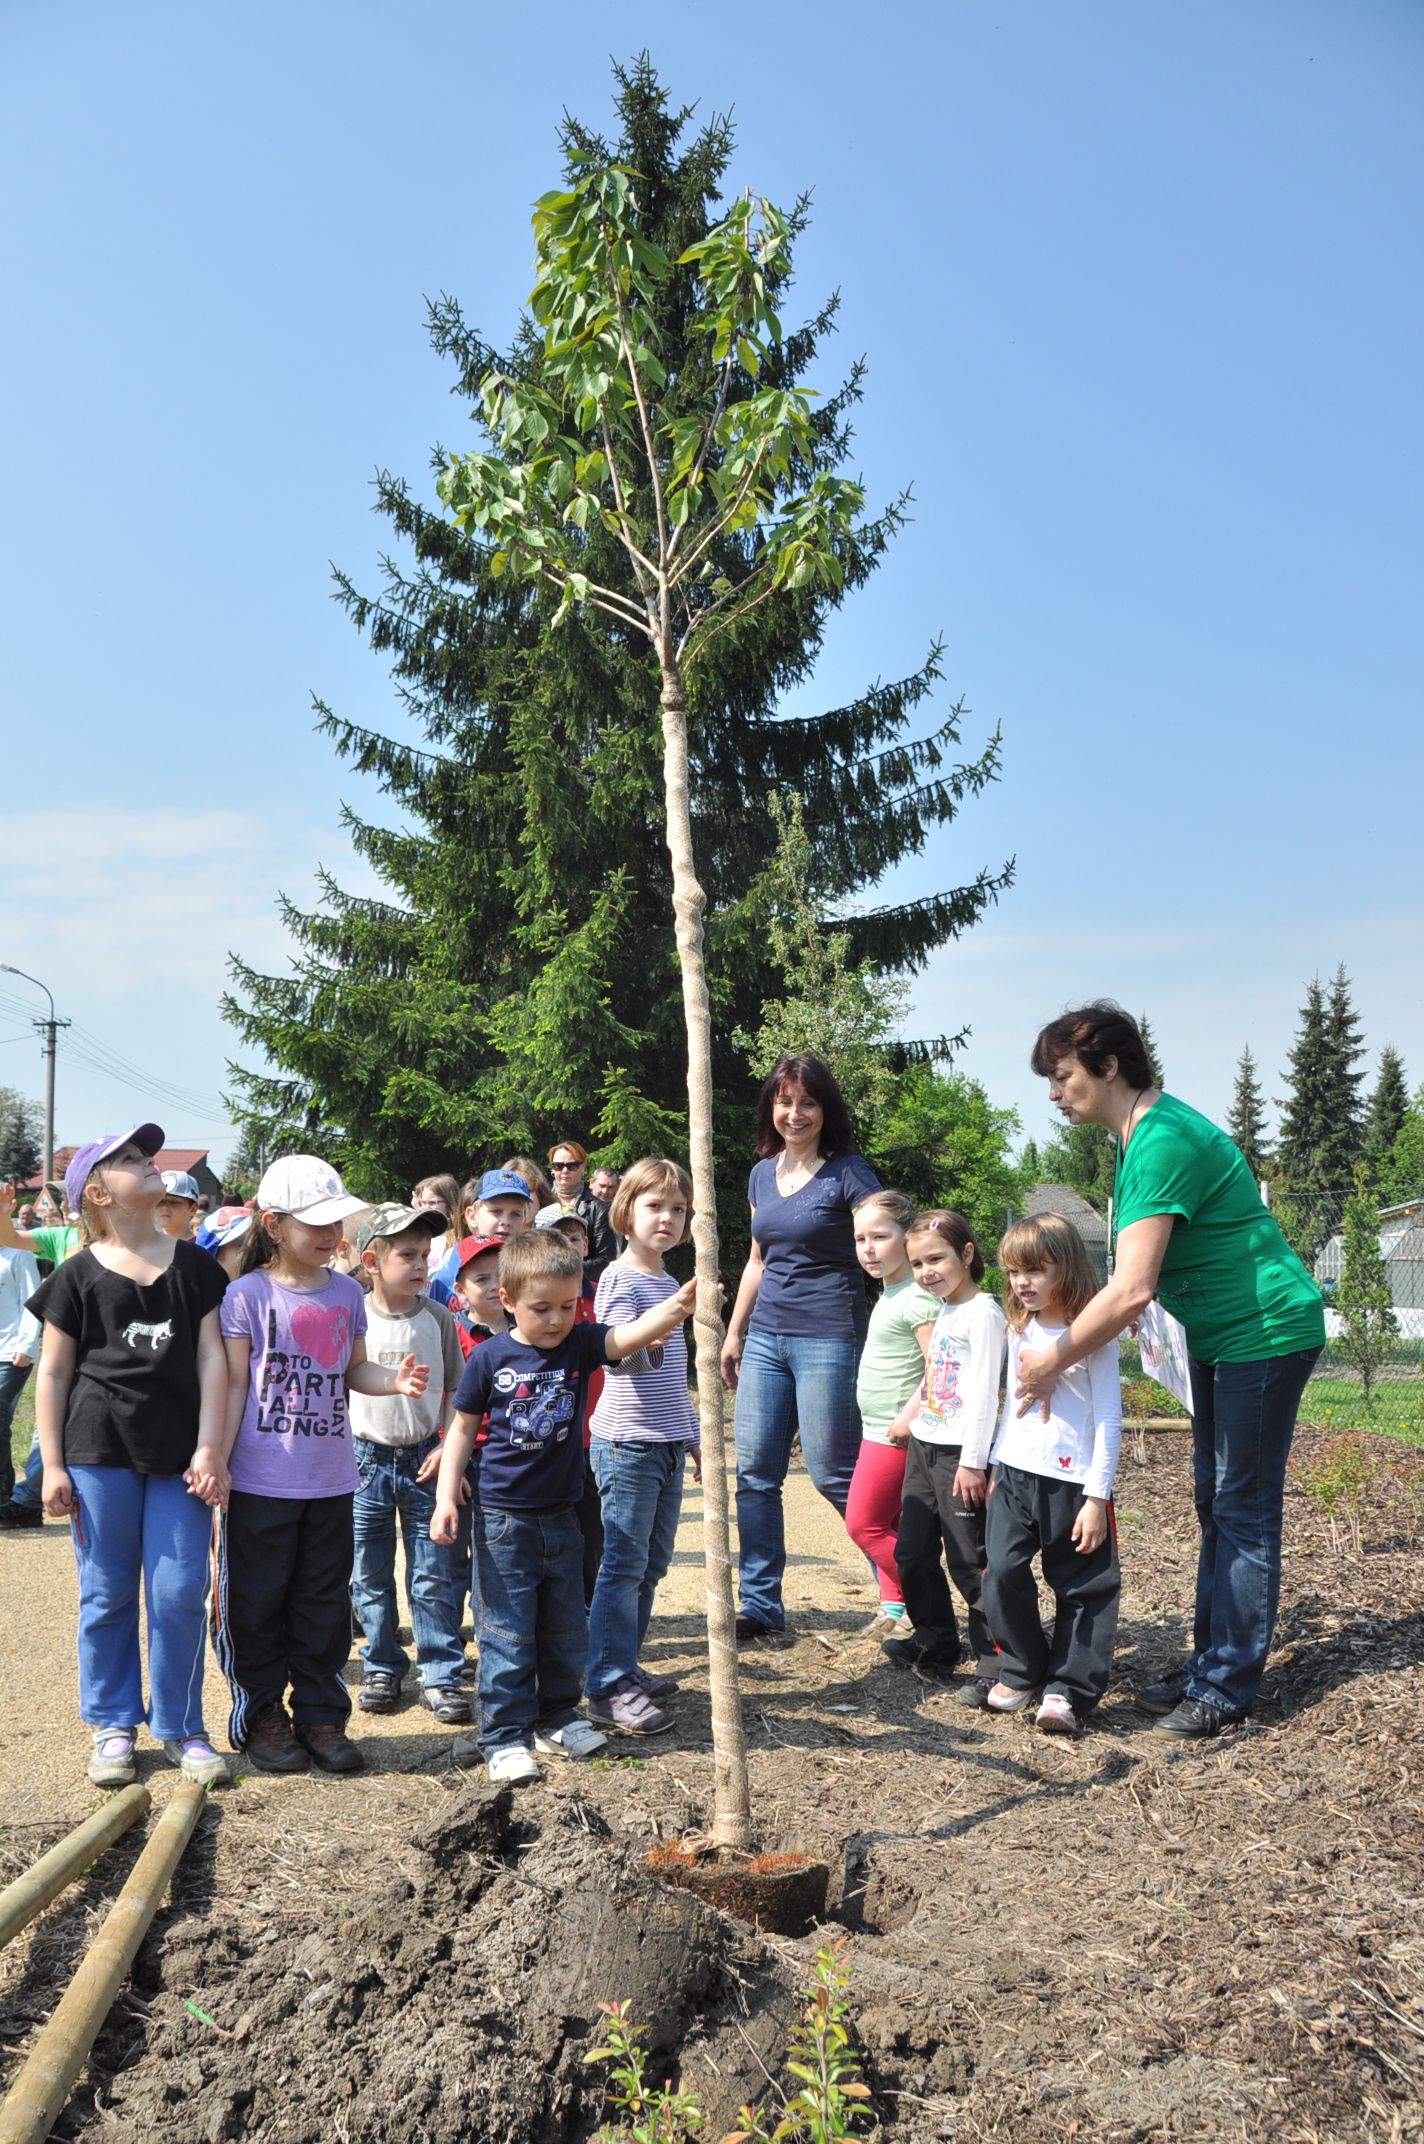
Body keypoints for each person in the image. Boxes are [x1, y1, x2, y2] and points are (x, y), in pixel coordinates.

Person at [1017, 1002, 1325, 1742]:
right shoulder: (1135, 1137)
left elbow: (1131, 1288)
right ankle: (1209, 1662)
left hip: (1266, 1330)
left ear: (1109, 1065)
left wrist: (1049, 1360)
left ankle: (1226, 1684)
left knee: (1243, 1507)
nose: (1054, 1095)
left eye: (1061, 1077)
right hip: (1222, 1338)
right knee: (1215, 1498)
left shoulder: (1161, 1140)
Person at [430, 1228, 696, 1784]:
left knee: (564, 1627)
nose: (555, 1319)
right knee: (505, 1628)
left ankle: (556, 1717)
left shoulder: (578, 1342)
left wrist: (675, 1308)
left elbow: (624, 1339)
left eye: (568, 1306)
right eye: (541, 1308)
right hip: (504, 1520)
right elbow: (461, 1429)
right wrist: (445, 1495)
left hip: (565, 1514)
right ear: (507, 1301)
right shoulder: (489, 1359)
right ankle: (503, 1735)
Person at [212, 1155, 429, 1777]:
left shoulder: (345, 1294)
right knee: (255, 1603)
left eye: (338, 1221)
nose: (332, 1235)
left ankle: (320, 1714)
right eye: (316, 1224)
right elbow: (231, 1384)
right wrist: (217, 1461)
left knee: (322, 1602)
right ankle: (261, 1717)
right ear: (273, 1224)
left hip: (331, 1479)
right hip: (258, 1481)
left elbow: (351, 1369)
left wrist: (393, 1380)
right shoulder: (245, 1295)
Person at [28, 1124, 230, 1787]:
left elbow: (212, 1360)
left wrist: (210, 1448)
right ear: (97, 1192)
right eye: (128, 1159)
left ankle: (180, 1725)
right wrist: (52, 1465)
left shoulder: (196, 1266)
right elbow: (53, 1376)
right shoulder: (75, 1275)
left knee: (179, 1593)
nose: (147, 1163)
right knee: (107, 1593)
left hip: (182, 1459)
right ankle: (112, 1722)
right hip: (95, 1453)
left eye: (148, 1155)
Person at [720, 1053, 880, 1642]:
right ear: (771, 1107)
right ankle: (761, 1605)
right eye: (785, 1102)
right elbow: (757, 1260)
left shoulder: (849, 1172)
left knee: (833, 1471)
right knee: (755, 1474)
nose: (795, 1113)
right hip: (765, 1336)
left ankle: (900, 1592)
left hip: (829, 1334)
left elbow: (884, 1238)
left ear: (824, 1109)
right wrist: (735, 1331)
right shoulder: (762, 1173)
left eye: (807, 1102)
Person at [983, 1214, 1122, 1734]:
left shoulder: (1095, 1334)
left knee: (1083, 1587)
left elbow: (1109, 1416)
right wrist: (997, 1463)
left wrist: (1096, 1496)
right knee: (1000, 1571)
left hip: (1073, 1484)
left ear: (1067, 1266)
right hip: (1015, 1476)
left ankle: (1068, 1691)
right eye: (1015, 1271)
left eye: (1036, 1269)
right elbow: (1009, 1405)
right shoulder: (1018, 1327)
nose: (1023, 1282)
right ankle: (1022, 1668)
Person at [584, 1159, 700, 1736]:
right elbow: (613, 1355)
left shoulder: (666, 1281)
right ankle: (605, 1683)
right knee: (622, 1565)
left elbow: (673, 1373)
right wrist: (667, 1318)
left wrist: (693, 1434)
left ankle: (624, 1664)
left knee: (650, 1566)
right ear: (626, 1213)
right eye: (656, 1206)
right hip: (627, 1442)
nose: (668, 1218)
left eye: (678, 1209)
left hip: (666, 1441)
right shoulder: (620, 1277)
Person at [348, 1204, 470, 1726]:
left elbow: (456, 1389)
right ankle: (381, 1664)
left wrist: (447, 1447)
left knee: (433, 1571)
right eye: (407, 1255)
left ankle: (440, 1672)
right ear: (372, 1260)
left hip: (425, 1459)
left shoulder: (439, 1317)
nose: (421, 1264)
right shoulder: (353, 1315)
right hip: (364, 1463)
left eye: (425, 1255)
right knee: (368, 1573)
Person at [881, 1210, 1005, 1697]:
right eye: (917, 1263)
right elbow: (938, 1377)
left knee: (969, 1559)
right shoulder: (946, 1310)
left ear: (967, 1254)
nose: (927, 1271)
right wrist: (913, 1422)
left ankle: (997, 1657)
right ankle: (935, 1641)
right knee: (912, 1551)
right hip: (925, 1446)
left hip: (960, 1456)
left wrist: (974, 1461)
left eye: (937, 1259)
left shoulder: (984, 1313)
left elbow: (983, 1395)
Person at [843, 1190, 941, 1634]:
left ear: (908, 1238)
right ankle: (896, 1608)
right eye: (860, 1237)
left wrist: (907, 1417)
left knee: (864, 1525)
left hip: (897, 1435)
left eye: (880, 1236)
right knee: (891, 1522)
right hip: (875, 1428)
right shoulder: (892, 1294)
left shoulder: (918, 1298)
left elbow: (940, 1368)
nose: (868, 1247)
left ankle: (931, 1596)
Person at [543, 1211, 606, 1601]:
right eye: (561, 1236)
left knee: (591, 1528)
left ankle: (585, 1606)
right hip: (552, 1436)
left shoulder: (603, 1291)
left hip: (595, 1436)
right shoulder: (538, 1303)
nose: (572, 1243)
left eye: (578, 1236)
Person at [428, 1170, 534, 1302]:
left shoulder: (532, 1271)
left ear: (525, 1220)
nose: (506, 1221)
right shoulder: (449, 1273)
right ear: (472, 1216)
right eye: (496, 1211)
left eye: (515, 1214)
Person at [536, 1140, 618, 1283]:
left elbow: (605, 1261)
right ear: (552, 1169)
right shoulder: (540, 1203)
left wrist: (561, 1271)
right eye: (558, 1166)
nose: (565, 1171)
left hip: (584, 1287)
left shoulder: (599, 1209)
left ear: (583, 1167)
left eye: (572, 1165)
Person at [0, 1240, 42, 1512]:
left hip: (10, 1352)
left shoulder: (19, 1254)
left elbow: (33, 1298)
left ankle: (3, 1494)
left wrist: (27, 1344)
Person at [0, 1179, 78, 1266]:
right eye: (63, 1199)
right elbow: (10, 1238)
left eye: (71, 1199)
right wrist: (2, 1215)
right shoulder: (60, 1236)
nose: (62, 1206)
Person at [155, 1170, 204, 1240]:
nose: (164, 1207)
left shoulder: (200, 1247)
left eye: (174, 1202)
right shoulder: (144, 1245)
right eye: (160, 1201)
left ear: (193, 1209)